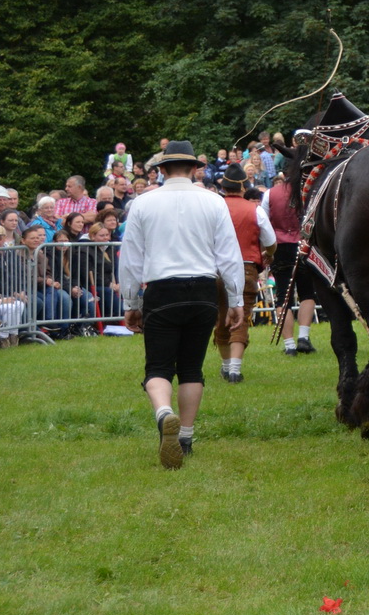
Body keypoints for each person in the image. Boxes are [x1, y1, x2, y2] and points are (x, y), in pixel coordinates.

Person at [119, 140, 244, 469]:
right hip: (203, 290)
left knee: (158, 367)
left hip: (161, 290)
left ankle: (164, 414)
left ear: (161, 170)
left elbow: (131, 258)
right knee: (191, 368)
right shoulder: (214, 202)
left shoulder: (143, 203)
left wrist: (131, 300)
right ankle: (184, 437)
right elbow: (229, 256)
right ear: (194, 169)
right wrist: (235, 299)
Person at [214, 164, 274, 384]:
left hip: (215, 269)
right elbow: (270, 240)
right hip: (245, 267)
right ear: (243, 187)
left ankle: (226, 365)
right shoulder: (254, 209)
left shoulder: (213, 207)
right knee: (241, 317)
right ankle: (235, 370)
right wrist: (270, 254)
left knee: (221, 317)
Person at [262, 167, 315, 354]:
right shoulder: (307, 191)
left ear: (283, 174)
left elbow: (264, 223)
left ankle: (289, 345)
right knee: (307, 292)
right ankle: (304, 337)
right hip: (303, 244)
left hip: (279, 245)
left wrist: (267, 250)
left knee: (283, 296)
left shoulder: (270, 194)